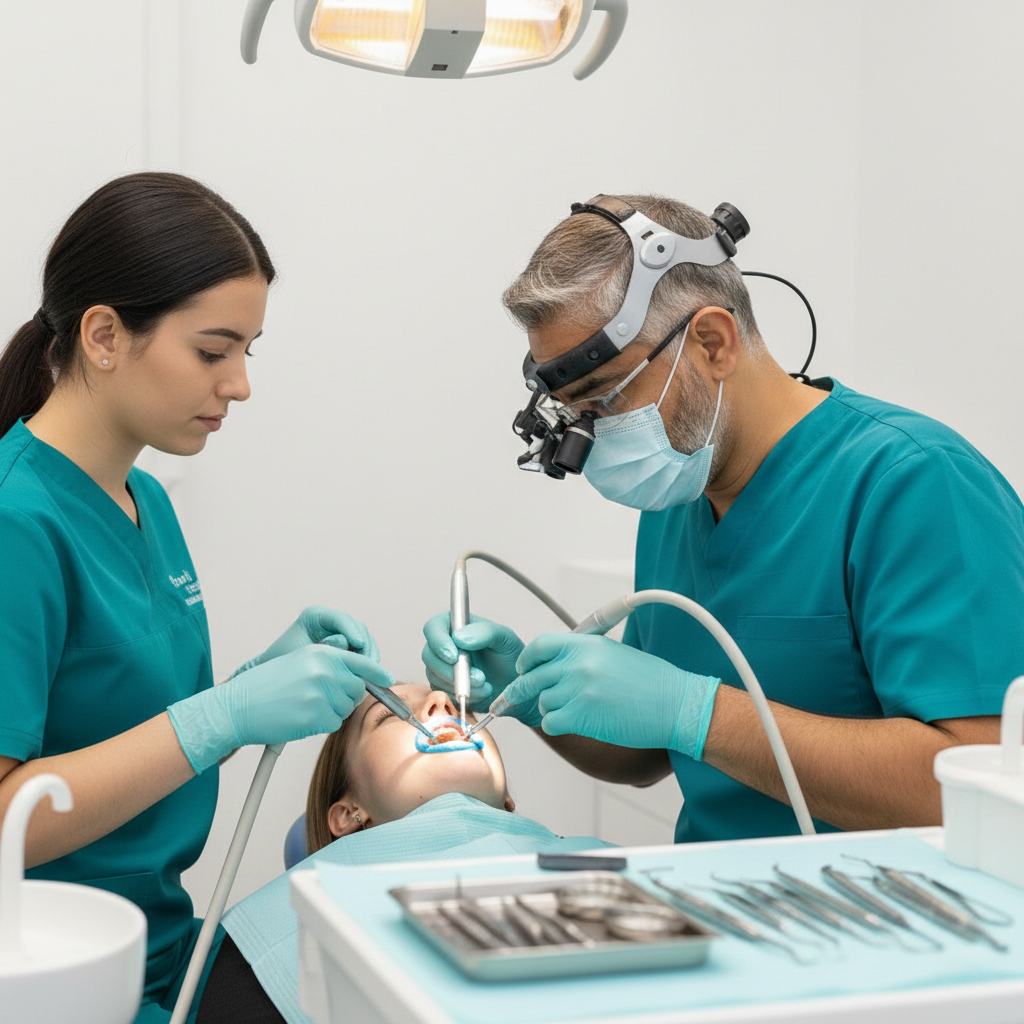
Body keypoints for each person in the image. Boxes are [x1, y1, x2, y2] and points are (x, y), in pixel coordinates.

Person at [422, 192, 1024, 845]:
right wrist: (530, 696)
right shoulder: (680, 494)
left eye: (605, 400)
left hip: (889, 924)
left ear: (712, 342)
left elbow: (974, 791)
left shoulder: (914, 483)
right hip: (718, 906)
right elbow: (646, 752)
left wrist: (697, 712)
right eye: (574, 414)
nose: (592, 440)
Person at [0, 172, 394, 1023]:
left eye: (249, 351)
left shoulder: (149, 503)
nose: (240, 384)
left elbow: (128, 727)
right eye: (214, 351)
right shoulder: (15, 522)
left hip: (161, 943)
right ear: (105, 334)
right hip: (55, 969)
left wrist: (249, 685)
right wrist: (225, 717)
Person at [199, 683, 612, 1024]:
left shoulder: (612, 869)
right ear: (348, 814)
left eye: (459, 708)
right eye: (388, 714)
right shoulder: (263, 949)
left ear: (505, 799)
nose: (443, 703)